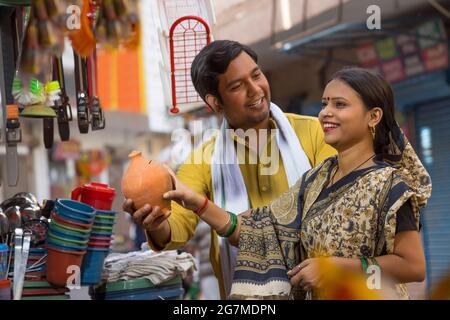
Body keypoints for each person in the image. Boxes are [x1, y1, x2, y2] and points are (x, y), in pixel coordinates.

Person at [161, 67, 432, 299]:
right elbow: (262, 229)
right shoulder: (317, 179)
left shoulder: (390, 185)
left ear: (374, 116)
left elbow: (412, 266)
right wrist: (199, 204)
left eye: (340, 104)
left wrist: (336, 268)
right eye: (325, 103)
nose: (325, 112)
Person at [122, 40, 336, 299]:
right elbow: (176, 226)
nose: (255, 89)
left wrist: (209, 210)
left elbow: (333, 214)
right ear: (215, 103)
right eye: (237, 86)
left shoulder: (314, 133)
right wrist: (155, 221)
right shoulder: (203, 159)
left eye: (256, 75)